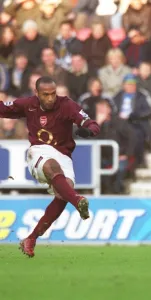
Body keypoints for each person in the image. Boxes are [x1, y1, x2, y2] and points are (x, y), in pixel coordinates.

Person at [0, 76, 100, 257]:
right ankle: (77, 201)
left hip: (64, 155)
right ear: (37, 94)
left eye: (53, 94)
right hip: (39, 151)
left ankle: (31, 238)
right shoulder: (28, 104)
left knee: (63, 193)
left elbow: (91, 123)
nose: (50, 98)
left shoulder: (67, 105)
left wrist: (89, 130)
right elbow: (3, 108)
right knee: (53, 169)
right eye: (45, 95)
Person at [93, 98, 135, 194]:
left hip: (120, 156)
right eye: (99, 110)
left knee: (119, 170)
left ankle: (117, 192)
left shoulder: (120, 122)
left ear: (109, 110)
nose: (101, 112)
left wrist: (126, 154)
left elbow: (132, 138)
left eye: (103, 109)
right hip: (102, 157)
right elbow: (90, 140)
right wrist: (98, 124)